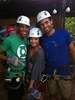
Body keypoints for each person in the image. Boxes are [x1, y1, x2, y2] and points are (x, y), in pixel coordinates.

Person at [36, 10, 75, 100]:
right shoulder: (41, 39)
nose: (45, 26)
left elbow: (73, 50)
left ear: (51, 21)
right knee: (52, 95)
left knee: (66, 97)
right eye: (42, 24)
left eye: (47, 22)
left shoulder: (64, 33)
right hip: (50, 73)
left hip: (64, 72)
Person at [0, 15, 30, 100]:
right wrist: (8, 59)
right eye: (22, 26)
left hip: (23, 75)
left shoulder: (25, 40)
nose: (25, 29)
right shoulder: (9, 40)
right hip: (12, 76)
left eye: (27, 27)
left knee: (20, 96)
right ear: (17, 27)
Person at [26, 27, 45, 100]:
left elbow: (36, 69)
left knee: (37, 95)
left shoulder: (40, 52)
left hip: (37, 77)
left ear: (39, 40)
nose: (33, 41)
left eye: (36, 39)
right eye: (31, 38)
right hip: (30, 75)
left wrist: (31, 84)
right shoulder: (28, 48)